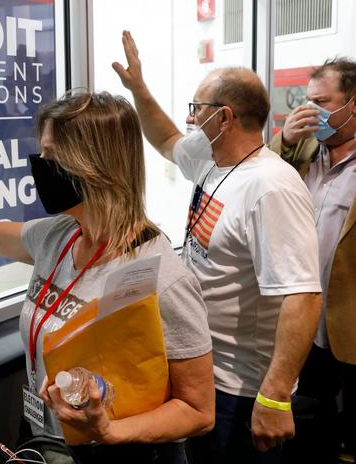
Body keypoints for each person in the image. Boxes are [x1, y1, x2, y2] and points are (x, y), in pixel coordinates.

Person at [0, 91, 215, 463]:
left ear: (91, 165)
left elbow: (198, 411)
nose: (41, 166)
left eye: (51, 156)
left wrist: (109, 431)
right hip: (52, 443)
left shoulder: (160, 276)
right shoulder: (58, 236)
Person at [113, 30, 323, 463]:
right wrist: (138, 89)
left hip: (243, 392)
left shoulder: (271, 187)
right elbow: (167, 139)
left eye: (197, 109)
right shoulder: (212, 158)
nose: (190, 118)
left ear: (224, 117)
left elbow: (302, 296)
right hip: (205, 374)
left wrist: (276, 396)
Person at [269, 57, 356, 464]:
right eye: (306, 101)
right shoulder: (302, 149)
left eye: (322, 102)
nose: (311, 111)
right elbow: (260, 177)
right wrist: (283, 140)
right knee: (309, 417)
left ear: (352, 104)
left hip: (348, 318)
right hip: (303, 313)